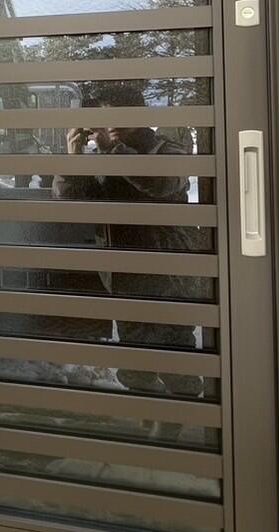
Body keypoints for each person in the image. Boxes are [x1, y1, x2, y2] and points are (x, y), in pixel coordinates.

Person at [51, 82, 208, 427]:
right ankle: (153, 426)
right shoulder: (104, 158)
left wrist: (114, 150)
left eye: (113, 118)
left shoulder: (166, 150)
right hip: (125, 278)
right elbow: (70, 202)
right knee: (136, 367)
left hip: (169, 280)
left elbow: (162, 183)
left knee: (176, 362)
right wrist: (72, 159)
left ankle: (179, 430)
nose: (106, 127)